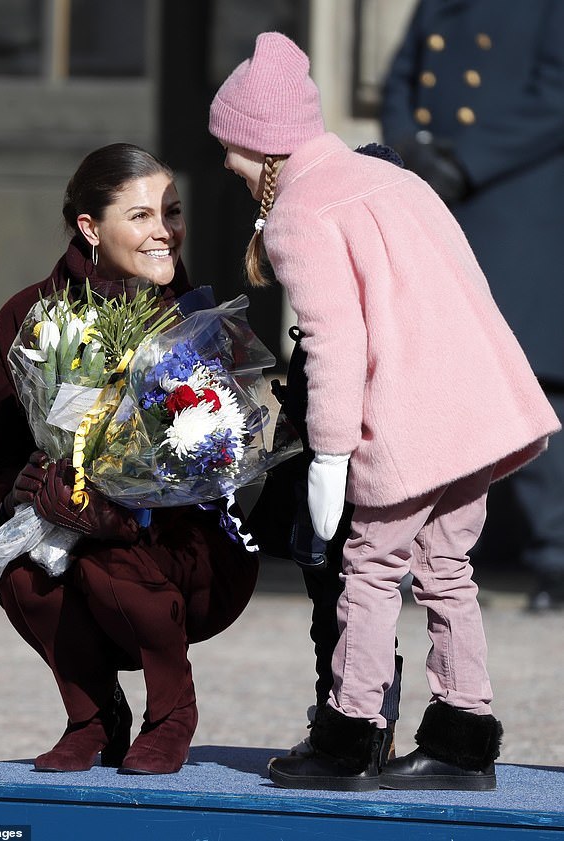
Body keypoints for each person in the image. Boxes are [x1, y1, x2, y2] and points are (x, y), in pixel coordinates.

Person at [208, 32, 560, 791]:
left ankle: (347, 736)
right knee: (447, 570)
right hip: (476, 411)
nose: (227, 165)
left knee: (369, 571)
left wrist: (330, 455)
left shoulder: (301, 211)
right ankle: (465, 740)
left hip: (408, 421)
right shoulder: (387, 179)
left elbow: (335, 344)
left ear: (266, 149)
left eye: (232, 148)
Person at [0, 143, 259, 775]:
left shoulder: (196, 320)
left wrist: (129, 507)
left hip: (190, 554)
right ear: (90, 228)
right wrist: (19, 493)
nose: (166, 231)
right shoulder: (27, 318)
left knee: (110, 555)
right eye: (143, 215)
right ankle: (94, 718)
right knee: (22, 565)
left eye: (173, 212)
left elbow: (227, 461)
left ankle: (172, 714)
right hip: (69, 531)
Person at [380, 0, 564, 611]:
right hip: (442, 203)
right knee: (442, 382)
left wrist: (466, 159)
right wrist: (410, 148)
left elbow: (556, 91)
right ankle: (437, 555)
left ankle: (554, 559)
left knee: (527, 379)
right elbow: (402, 78)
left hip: (515, 200)